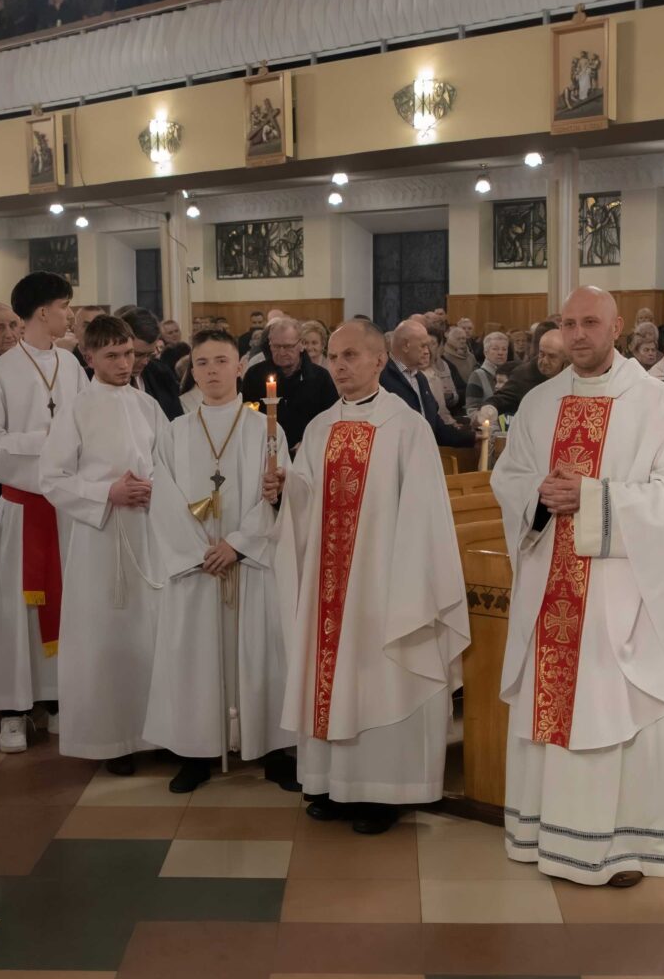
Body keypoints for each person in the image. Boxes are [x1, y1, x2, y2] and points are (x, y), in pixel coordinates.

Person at [491, 289, 664, 886]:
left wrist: (595, 498)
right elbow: (509, 476)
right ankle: (544, 835)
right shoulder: (539, 402)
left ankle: (622, 845)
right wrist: (538, 494)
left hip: (623, 592)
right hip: (548, 586)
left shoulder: (654, 402)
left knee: (617, 710)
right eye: (568, 323)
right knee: (554, 708)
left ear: (616, 327)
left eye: (590, 322)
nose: (578, 334)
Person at [272, 318, 469, 834]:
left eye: (351, 356)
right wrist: (286, 491)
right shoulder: (320, 428)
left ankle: (383, 793)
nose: (339, 366)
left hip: (385, 581)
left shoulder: (406, 428)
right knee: (334, 676)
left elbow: (425, 515)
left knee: (382, 677)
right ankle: (333, 785)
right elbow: (305, 501)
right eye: (333, 357)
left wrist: (404, 583)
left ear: (379, 360)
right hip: (330, 587)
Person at [144, 330, 296, 794]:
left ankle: (271, 749)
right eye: (202, 362)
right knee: (194, 657)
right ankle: (195, 752)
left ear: (239, 367)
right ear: (192, 370)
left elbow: (278, 495)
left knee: (260, 653)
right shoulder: (175, 432)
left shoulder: (265, 429)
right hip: (197, 569)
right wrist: (200, 553)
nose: (211, 370)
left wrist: (238, 544)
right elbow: (163, 500)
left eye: (221, 361)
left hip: (248, 564)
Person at [42, 314, 166, 771]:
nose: (124, 363)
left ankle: (154, 733)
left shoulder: (147, 405)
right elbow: (52, 478)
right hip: (99, 538)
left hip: (147, 532)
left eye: (129, 353)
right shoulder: (76, 409)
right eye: (112, 355)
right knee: (104, 637)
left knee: (149, 635)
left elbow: (168, 463)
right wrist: (106, 493)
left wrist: (155, 487)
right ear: (89, 357)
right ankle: (112, 740)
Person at [0, 271, 86, 752]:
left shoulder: (71, 365)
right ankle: (14, 711)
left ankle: (59, 698)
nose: (69, 315)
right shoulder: (1, 372)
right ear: (43, 312)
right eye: (64, 306)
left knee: (70, 602)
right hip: (22, 510)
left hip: (68, 510)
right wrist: (46, 440)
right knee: (15, 612)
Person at [239, 313, 340, 448]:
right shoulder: (255, 375)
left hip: (308, 449)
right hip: (264, 449)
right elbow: (245, 416)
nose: (281, 352)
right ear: (269, 344)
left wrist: (309, 443)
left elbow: (332, 419)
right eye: (276, 346)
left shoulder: (320, 377)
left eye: (288, 346)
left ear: (301, 345)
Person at [383, 315, 474, 448]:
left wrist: (472, 438)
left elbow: (435, 426)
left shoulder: (420, 379)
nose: (427, 351)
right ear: (406, 345)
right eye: (423, 346)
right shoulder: (381, 377)